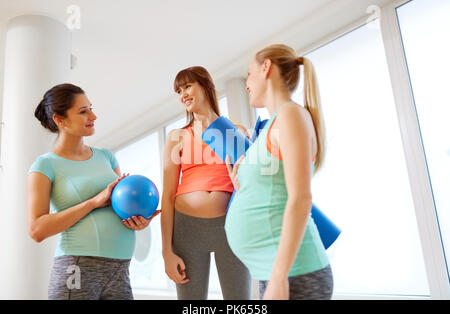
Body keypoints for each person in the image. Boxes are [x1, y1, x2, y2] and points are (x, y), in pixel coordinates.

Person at [27, 83, 160, 300]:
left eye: (91, 108)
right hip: (78, 267)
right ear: (60, 120)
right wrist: (93, 202)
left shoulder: (106, 157)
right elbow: (36, 229)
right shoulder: (45, 165)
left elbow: (118, 206)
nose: (93, 115)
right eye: (83, 111)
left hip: (120, 268)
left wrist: (137, 221)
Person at [225, 44, 333, 300]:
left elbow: (301, 198)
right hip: (274, 272)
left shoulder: (290, 115)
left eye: (250, 74)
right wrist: (242, 186)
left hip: (294, 274)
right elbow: (273, 192)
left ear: (266, 68)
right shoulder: (274, 123)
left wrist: (279, 277)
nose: (247, 83)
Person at [161, 66, 252, 300]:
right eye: (179, 91)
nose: (183, 94)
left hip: (231, 227)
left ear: (206, 86)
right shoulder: (176, 138)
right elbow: (167, 196)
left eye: (188, 86)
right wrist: (166, 252)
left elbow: (252, 185)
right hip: (187, 230)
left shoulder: (237, 132)